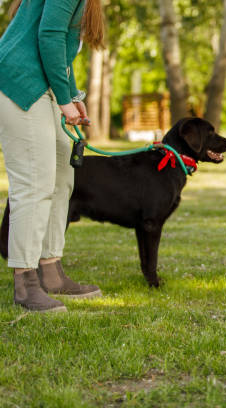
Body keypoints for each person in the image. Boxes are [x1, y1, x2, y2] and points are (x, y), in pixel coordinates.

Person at [0, 0, 105, 312]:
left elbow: (63, 49)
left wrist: (71, 95)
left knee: (62, 175)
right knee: (35, 182)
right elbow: (49, 36)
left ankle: (51, 270)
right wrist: (64, 100)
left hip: (43, 83)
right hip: (20, 83)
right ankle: (25, 281)